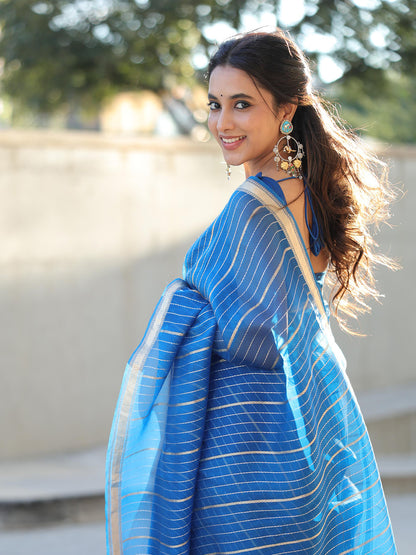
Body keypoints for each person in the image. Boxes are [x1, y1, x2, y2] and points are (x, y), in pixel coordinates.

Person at [106, 29, 397, 554]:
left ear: (287, 110)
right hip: (311, 432)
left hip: (244, 453)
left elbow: (256, 334)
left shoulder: (253, 206)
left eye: (242, 104)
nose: (222, 123)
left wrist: (184, 298)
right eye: (215, 105)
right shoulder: (309, 191)